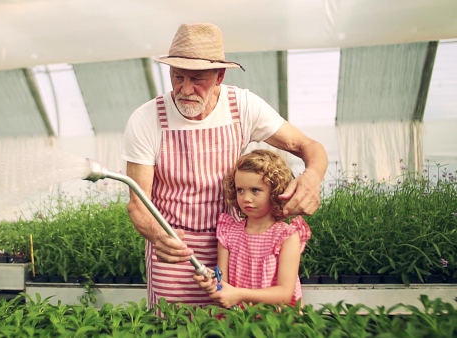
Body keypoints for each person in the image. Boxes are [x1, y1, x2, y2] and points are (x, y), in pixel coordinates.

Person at [122, 22, 327, 308]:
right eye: (177, 77)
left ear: (219, 76)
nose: (185, 89)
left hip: (233, 243)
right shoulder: (146, 119)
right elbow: (137, 203)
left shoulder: (241, 106)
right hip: (175, 248)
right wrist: (159, 236)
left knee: (233, 322)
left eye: (198, 79)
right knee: (174, 325)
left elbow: (310, 147)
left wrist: (312, 177)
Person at [193, 149, 311, 308]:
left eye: (255, 190)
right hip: (238, 320)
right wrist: (213, 281)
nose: (246, 198)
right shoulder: (228, 233)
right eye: (240, 190)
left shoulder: (286, 236)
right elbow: (223, 284)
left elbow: (284, 293)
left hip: (275, 323)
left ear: (276, 192)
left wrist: (239, 294)